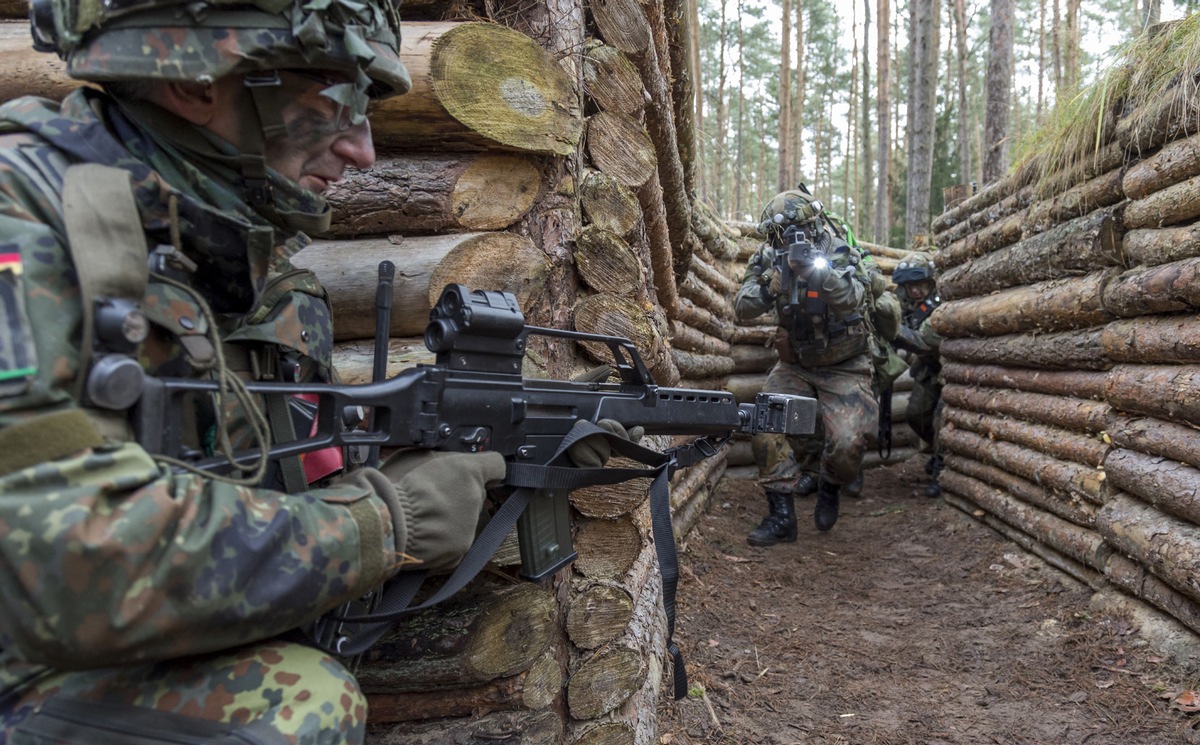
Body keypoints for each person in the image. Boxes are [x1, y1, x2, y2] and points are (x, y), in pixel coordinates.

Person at [0, 0, 624, 741]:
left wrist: (507, 440)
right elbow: (65, 565)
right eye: (336, 100)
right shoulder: (26, 223)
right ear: (196, 82)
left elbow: (270, 481)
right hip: (31, 655)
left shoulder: (260, 272)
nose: (362, 149)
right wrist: (384, 518)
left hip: (125, 645)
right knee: (299, 704)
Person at [734, 188, 878, 545]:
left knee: (848, 444)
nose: (790, 240)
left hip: (846, 363)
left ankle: (830, 483)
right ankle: (781, 516)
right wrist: (770, 287)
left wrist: (817, 273)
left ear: (813, 225)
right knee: (764, 421)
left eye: (797, 231)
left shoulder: (838, 249)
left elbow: (853, 299)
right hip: (796, 364)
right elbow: (742, 306)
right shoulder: (768, 257)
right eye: (781, 234)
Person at [890, 253, 945, 497]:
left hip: (948, 370)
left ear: (930, 282)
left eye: (920, 284)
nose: (916, 291)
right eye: (910, 286)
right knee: (916, 415)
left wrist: (889, 328)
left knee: (942, 421)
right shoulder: (904, 303)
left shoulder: (940, 302)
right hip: (927, 370)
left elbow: (925, 340)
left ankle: (942, 469)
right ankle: (937, 452)